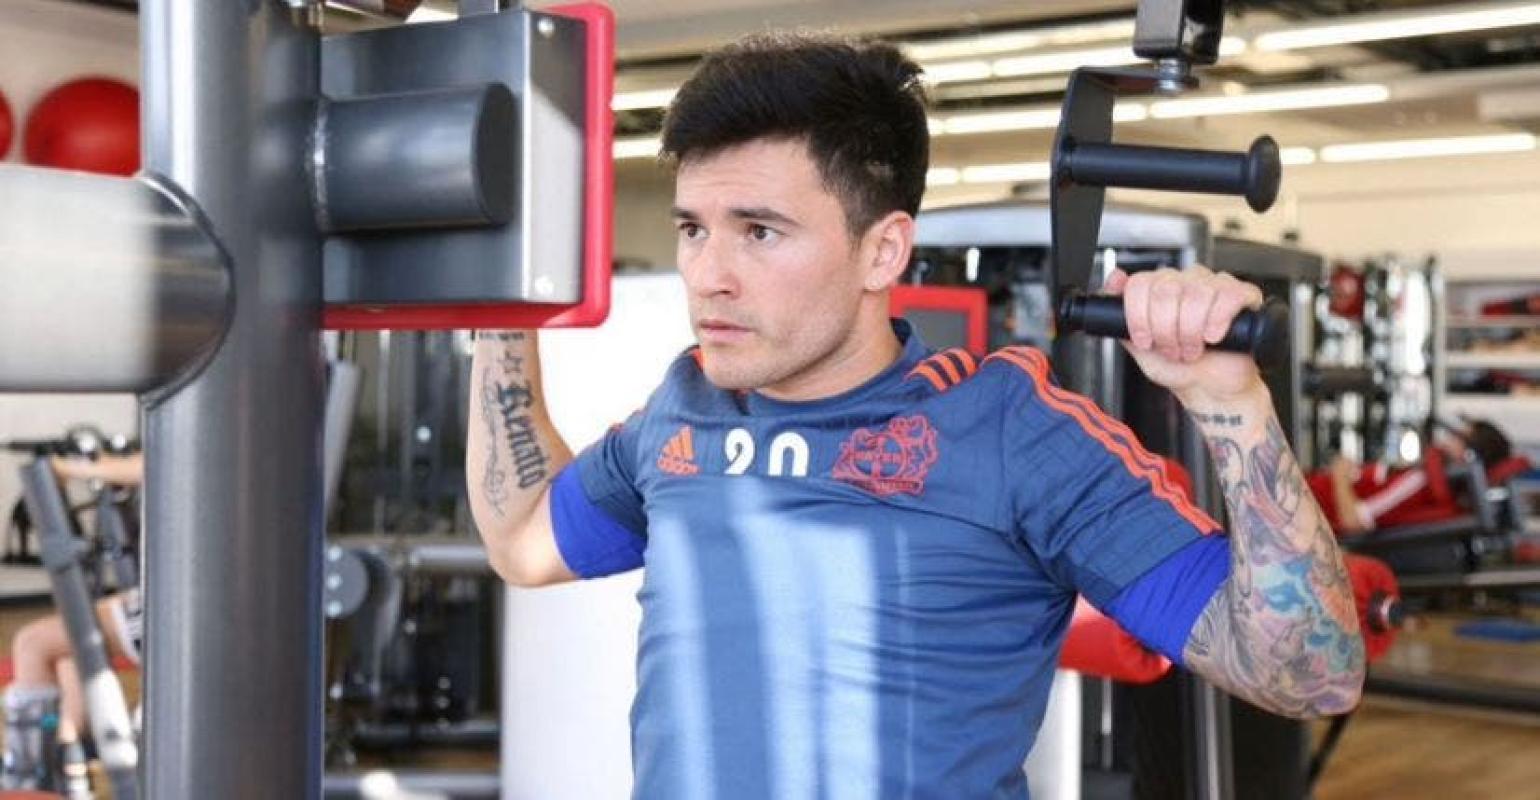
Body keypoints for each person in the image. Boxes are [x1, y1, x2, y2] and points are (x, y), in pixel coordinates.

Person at [465, 34, 1364, 797]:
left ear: (883, 250)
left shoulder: (1009, 430)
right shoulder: (683, 409)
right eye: (694, 228)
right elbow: (525, 538)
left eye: (759, 231)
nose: (707, 276)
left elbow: (1309, 674)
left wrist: (1230, 403)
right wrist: (497, 294)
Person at [2, 453, 142, 796]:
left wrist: (73, 467)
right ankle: (65, 760)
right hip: (167, 598)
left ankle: (29, 776)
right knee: (68, 650)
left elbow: (152, 465)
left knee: (35, 643)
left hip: (179, 612)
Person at [1309, 419, 1514, 534]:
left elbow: (1352, 521)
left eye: (1458, 437)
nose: (1448, 438)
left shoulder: (1421, 482)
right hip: (1310, 496)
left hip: (1309, 506)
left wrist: (1340, 476)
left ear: (1467, 456)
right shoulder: (1428, 477)